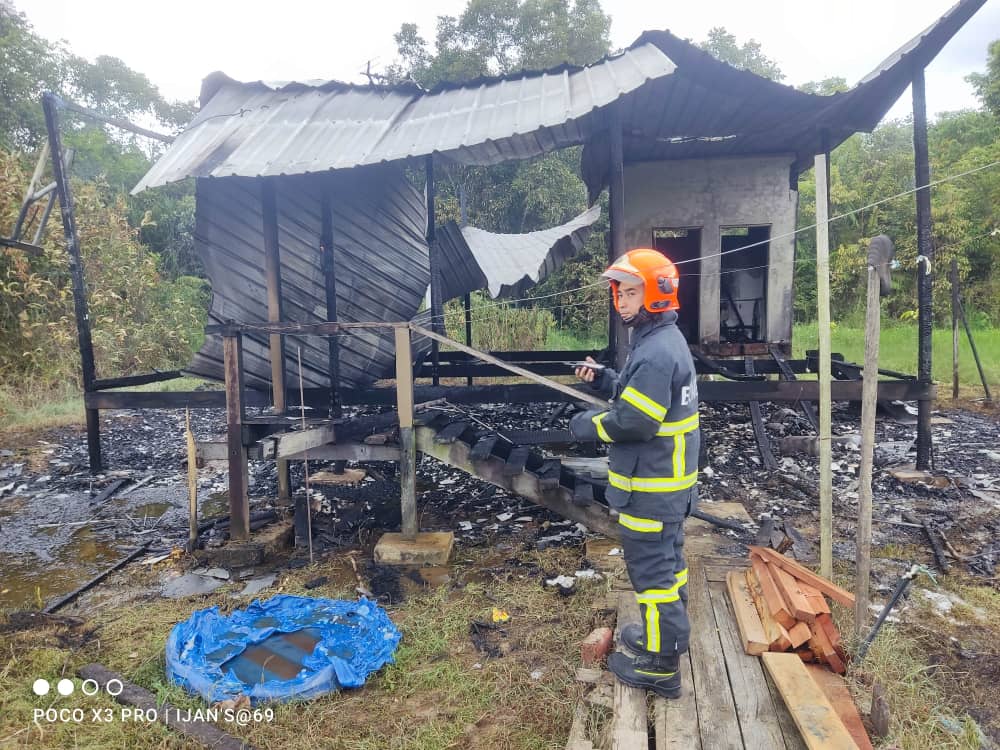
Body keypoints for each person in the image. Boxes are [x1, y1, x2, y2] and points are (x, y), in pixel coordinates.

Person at [568, 248, 700, 699]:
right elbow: (640, 396)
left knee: (653, 576)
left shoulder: (656, 350)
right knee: (669, 568)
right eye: (618, 293)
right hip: (666, 488)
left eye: (630, 292)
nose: (620, 302)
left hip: (651, 490)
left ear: (657, 294)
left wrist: (587, 425)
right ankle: (664, 639)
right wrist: (605, 379)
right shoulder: (658, 341)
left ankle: (662, 667)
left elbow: (634, 422)